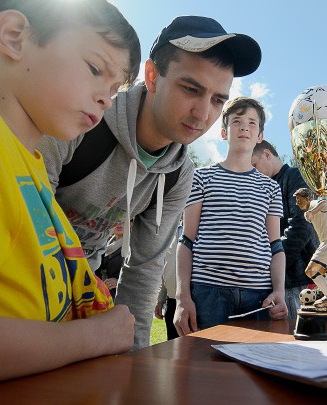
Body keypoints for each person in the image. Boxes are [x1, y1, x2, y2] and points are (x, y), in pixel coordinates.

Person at [0, 0, 140, 391]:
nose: (107, 98)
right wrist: (100, 336)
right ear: (14, 37)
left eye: (115, 88)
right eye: (94, 68)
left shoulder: (32, 167)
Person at [38, 16, 262, 350]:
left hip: (80, 295)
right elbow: (19, 227)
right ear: (153, 76)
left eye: (217, 100)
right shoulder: (83, 118)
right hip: (19, 293)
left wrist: (135, 362)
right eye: (191, 89)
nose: (203, 114)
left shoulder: (178, 174)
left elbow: (144, 271)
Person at [174, 97, 288, 335]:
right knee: (206, 365)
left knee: (253, 368)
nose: (244, 127)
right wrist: (182, 296)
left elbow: (276, 245)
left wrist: (279, 291)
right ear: (224, 132)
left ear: (260, 136)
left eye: (252, 122)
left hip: (258, 296)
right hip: (208, 292)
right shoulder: (201, 178)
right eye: (237, 121)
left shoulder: (271, 188)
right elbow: (186, 241)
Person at [251, 140, 318, 320]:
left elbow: (301, 225)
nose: (252, 172)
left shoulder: (296, 176)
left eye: (254, 165)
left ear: (267, 154)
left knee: (299, 340)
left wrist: (273, 265)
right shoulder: (262, 187)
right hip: (277, 282)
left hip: (299, 280)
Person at [293, 188, 327, 310]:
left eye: (299, 199)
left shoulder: (314, 204)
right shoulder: (311, 209)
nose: (297, 203)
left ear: (308, 198)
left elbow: (326, 203)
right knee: (318, 272)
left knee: (310, 271)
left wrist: (312, 212)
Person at [154, 225, 181, 340]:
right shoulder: (171, 231)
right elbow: (165, 270)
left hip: (193, 300)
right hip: (171, 302)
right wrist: (160, 299)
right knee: (172, 346)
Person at [95, 223, 125, 298]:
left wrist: (119, 282)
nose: (120, 224)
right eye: (116, 221)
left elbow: (140, 273)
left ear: (131, 224)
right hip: (103, 294)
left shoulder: (132, 245)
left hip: (121, 297)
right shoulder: (105, 243)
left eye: (124, 221)